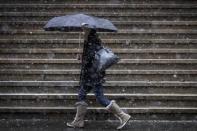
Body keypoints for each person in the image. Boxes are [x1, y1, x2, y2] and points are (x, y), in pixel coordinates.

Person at [66, 23, 131, 130]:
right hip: (92, 75)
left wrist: (82, 59)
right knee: (82, 94)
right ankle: (78, 121)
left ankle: (123, 116)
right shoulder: (91, 41)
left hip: (92, 76)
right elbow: (91, 58)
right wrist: (82, 57)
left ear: (89, 31)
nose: (83, 31)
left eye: (84, 29)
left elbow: (90, 59)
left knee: (100, 98)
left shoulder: (91, 42)